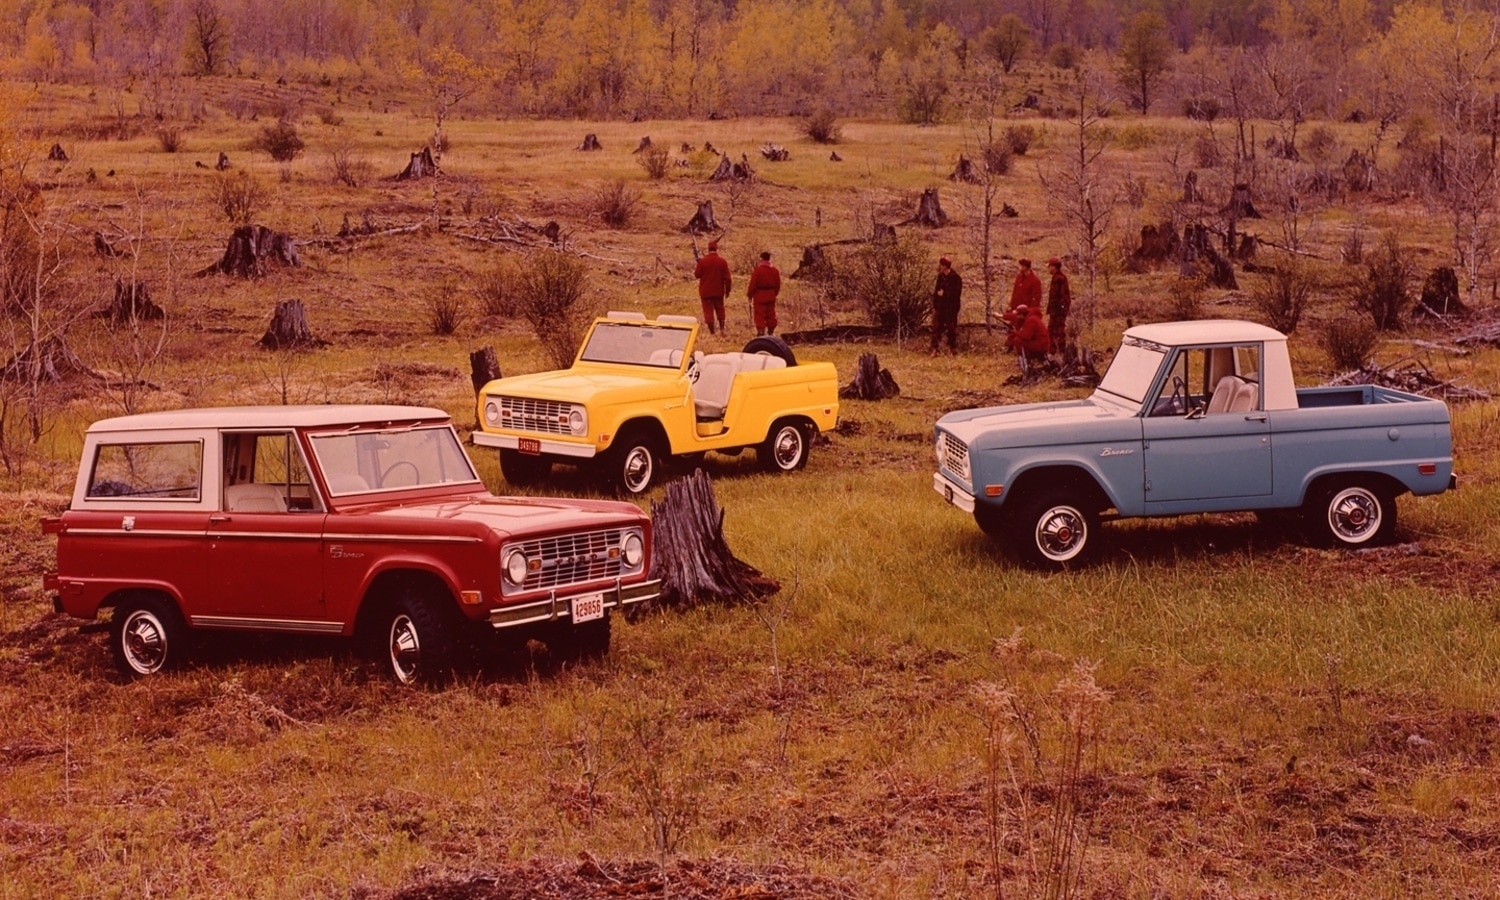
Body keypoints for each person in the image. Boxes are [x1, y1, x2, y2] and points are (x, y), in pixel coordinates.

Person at [694, 239, 731, 334]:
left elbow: (697, 275)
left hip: (705, 292)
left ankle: (712, 332)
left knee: (708, 311)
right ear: (716, 249)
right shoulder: (722, 262)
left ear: (708, 249)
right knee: (720, 309)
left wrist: (699, 263)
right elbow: (728, 278)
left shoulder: (703, 262)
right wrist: (727, 291)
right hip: (718, 291)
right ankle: (722, 329)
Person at [930, 256, 962, 355]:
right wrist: (935, 304)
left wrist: (945, 294)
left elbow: (956, 293)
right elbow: (937, 291)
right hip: (940, 306)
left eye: (941, 265)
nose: (939, 267)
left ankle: (951, 349)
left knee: (951, 328)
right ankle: (935, 349)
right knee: (936, 328)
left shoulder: (956, 278)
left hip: (951, 308)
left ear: (945, 266)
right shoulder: (940, 277)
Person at [747, 250, 781, 336]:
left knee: (760, 314)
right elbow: (778, 285)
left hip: (760, 295)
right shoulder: (775, 271)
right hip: (771, 295)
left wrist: (750, 295)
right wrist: (774, 294)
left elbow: (753, 284)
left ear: (761, 259)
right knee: (771, 314)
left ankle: (761, 332)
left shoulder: (758, 271)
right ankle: (771, 331)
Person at [1045, 257, 1071, 354]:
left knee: (1056, 330)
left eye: (1050, 266)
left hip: (1058, 311)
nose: (1048, 269)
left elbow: (1060, 296)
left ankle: (1057, 351)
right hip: (1057, 310)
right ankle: (1055, 350)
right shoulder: (1058, 277)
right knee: (1054, 330)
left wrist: (1058, 310)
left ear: (1054, 267)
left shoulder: (1059, 279)